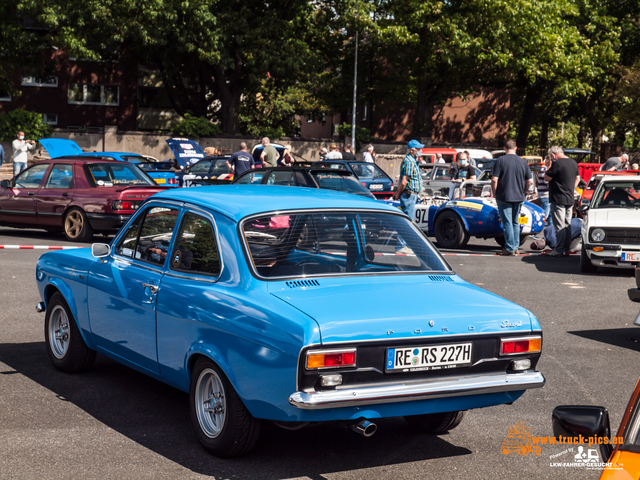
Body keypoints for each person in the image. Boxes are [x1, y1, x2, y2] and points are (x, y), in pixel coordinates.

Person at [490, 139, 533, 256]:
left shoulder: (500, 160)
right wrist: (524, 191)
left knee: (507, 222)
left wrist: (494, 192)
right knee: (515, 222)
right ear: (515, 148)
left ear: (504, 148)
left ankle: (509, 248)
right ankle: (515, 247)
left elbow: (494, 179)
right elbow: (530, 181)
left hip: (504, 196)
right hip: (519, 196)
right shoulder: (523, 162)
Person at [544, 146, 581, 257]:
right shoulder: (573, 162)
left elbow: (546, 177)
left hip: (558, 198)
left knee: (559, 225)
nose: (552, 158)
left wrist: (548, 166)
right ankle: (566, 247)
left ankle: (559, 249)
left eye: (551, 156)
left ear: (554, 154)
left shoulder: (557, 163)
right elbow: (578, 178)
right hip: (569, 198)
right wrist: (571, 189)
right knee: (567, 224)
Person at [393, 139, 423, 254]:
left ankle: (403, 245)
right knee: (406, 221)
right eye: (418, 149)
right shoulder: (410, 162)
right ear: (412, 150)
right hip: (409, 195)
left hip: (411, 195)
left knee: (407, 220)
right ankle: (400, 246)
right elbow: (404, 181)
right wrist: (398, 193)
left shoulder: (412, 160)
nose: (421, 151)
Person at [537, 154, 552, 223]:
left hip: (547, 196)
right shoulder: (545, 169)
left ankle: (550, 233)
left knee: (550, 217)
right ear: (547, 160)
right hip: (545, 196)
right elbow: (547, 182)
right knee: (543, 217)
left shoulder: (545, 169)